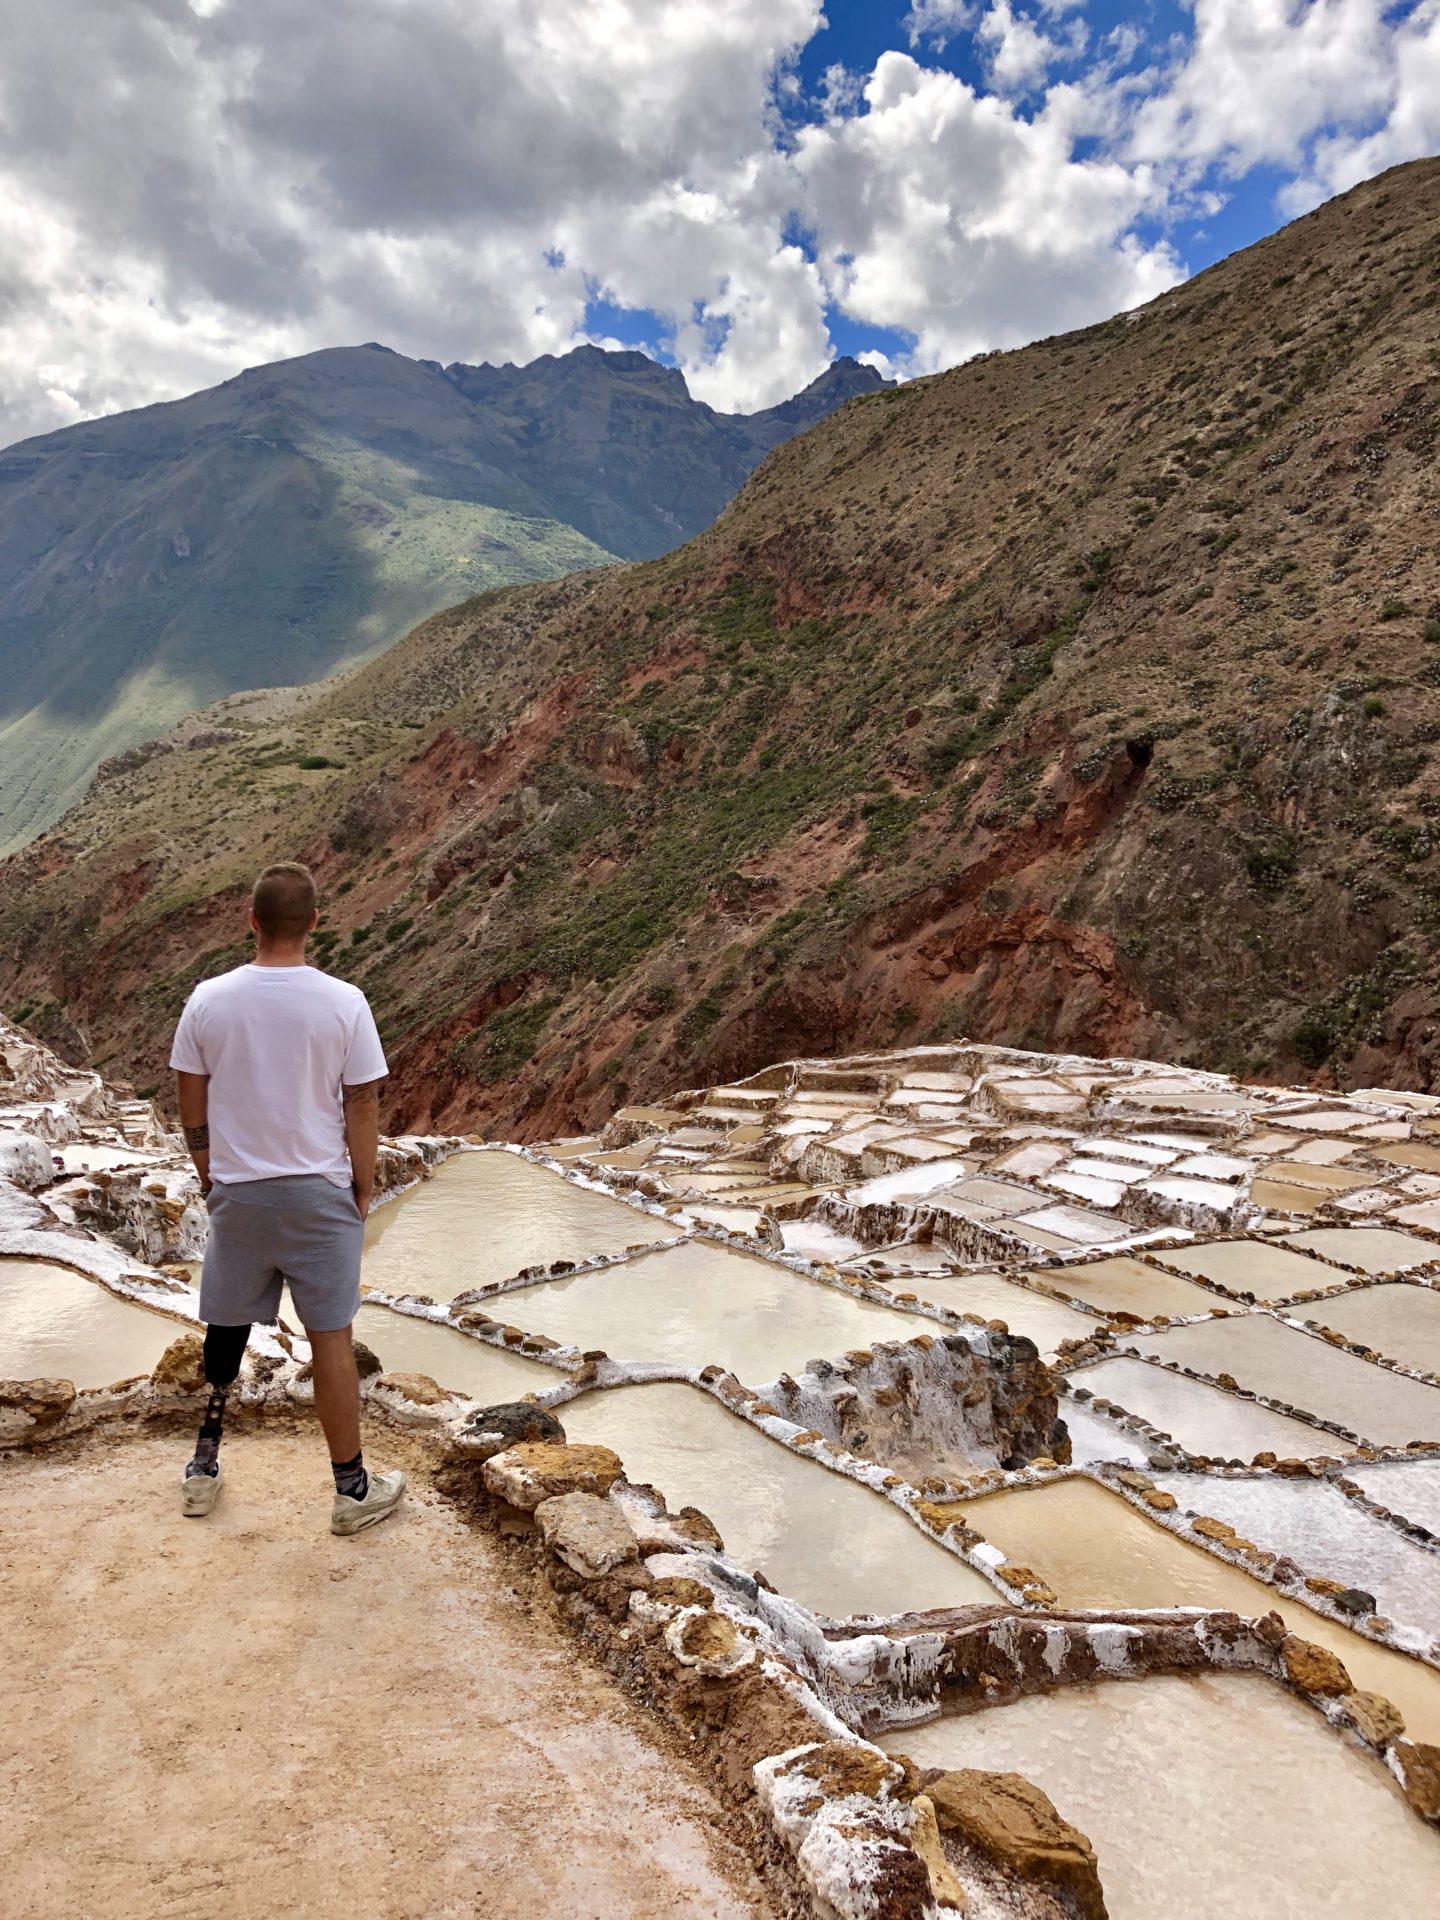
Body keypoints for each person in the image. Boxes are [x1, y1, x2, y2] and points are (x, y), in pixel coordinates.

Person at [170, 861, 406, 1535]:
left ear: (251, 921)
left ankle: (203, 1470)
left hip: (239, 1192)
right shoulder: (343, 1002)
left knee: (226, 1325)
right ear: (314, 925)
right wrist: (362, 1181)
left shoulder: (208, 1000)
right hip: (318, 1193)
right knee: (331, 1339)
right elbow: (362, 1102)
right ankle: (352, 1490)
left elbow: (190, 1093)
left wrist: (208, 1166)